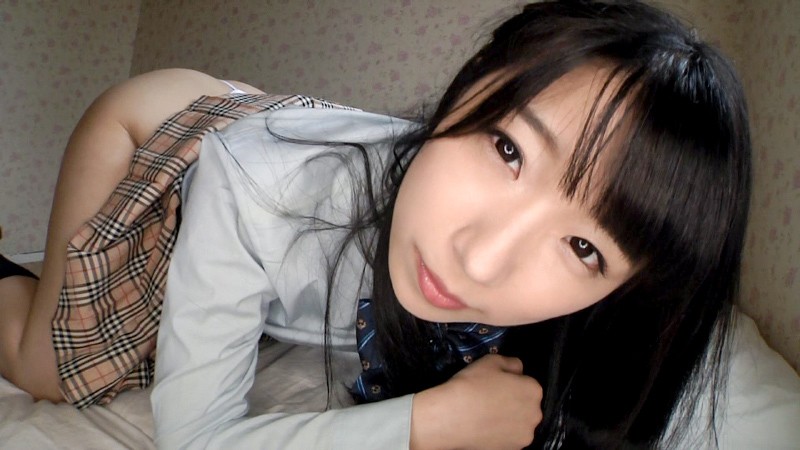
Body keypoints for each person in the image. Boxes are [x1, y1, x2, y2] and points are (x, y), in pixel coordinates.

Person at [0, 0, 752, 448]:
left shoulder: (584, 321)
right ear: (473, 81)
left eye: (583, 247)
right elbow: (195, 439)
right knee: (53, 372)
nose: (480, 260)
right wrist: (426, 423)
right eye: (508, 148)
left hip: (280, 146)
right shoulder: (261, 189)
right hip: (166, 138)